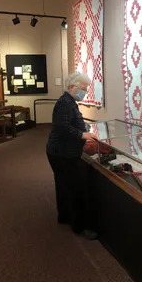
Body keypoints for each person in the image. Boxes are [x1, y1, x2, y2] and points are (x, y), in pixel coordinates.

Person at [46, 72, 98, 239]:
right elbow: (62, 127)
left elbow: (72, 122)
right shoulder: (65, 103)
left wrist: (85, 127)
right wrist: (83, 135)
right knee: (76, 189)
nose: (85, 91)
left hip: (59, 151)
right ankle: (79, 226)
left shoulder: (69, 102)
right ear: (72, 87)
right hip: (63, 153)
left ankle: (65, 216)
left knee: (63, 185)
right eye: (83, 88)